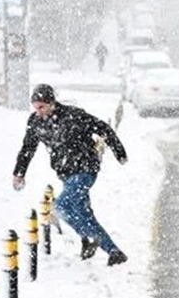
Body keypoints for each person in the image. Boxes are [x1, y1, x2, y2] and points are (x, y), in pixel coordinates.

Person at [12, 84, 129, 265]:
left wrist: (119, 151)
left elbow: (103, 128)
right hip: (65, 173)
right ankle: (114, 252)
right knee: (83, 213)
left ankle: (90, 237)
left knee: (61, 207)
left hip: (85, 169)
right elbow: (27, 149)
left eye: (41, 107)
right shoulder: (36, 122)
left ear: (51, 103)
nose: (38, 111)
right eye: (35, 107)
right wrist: (19, 173)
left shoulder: (73, 115)